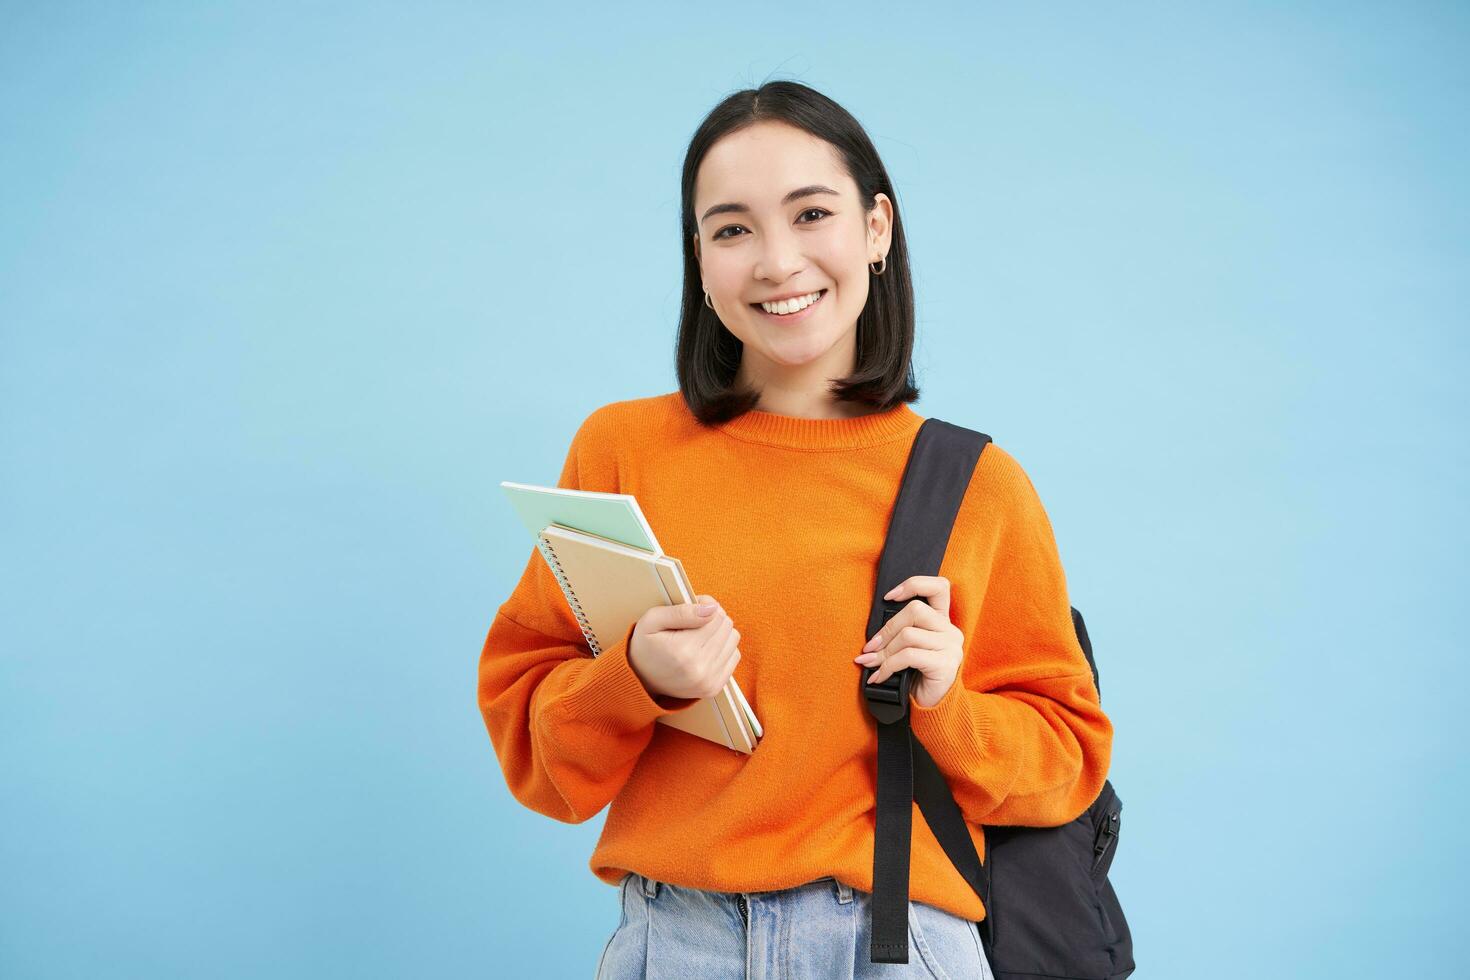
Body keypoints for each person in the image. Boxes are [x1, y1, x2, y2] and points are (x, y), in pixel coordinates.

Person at [477, 80, 1114, 979]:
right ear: (699, 260)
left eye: (812, 213)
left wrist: (947, 707)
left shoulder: (976, 484)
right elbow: (541, 760)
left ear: (877, 230)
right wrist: (636, 680)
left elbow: (1068, 762)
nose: (777, 261)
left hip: (895, 943)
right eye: (732, 229)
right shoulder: (622, 449)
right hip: (675, 940)